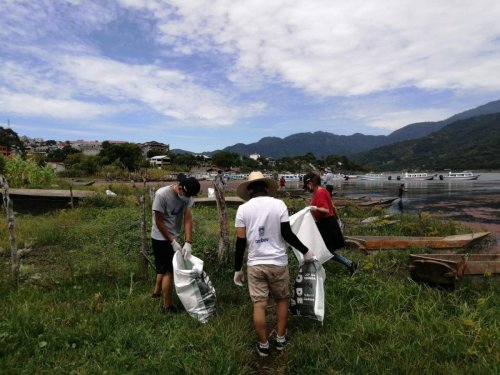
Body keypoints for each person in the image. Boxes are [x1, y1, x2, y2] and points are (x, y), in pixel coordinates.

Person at [233, 171, 314, 357]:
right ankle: (280, 339)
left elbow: (240, 242)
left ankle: (263, 345)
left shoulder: (243, 209)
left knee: (259, 305)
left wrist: (237, 268)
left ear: (250, 190)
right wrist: (305, 250)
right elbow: (287, 234)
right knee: (281, 300)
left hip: (255, 264)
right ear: (267, 188)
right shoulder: (279, 204)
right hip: (278, 262)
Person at [151, 176, 201, 313]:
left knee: (163, 265)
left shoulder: (187, 196)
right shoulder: (162, 195)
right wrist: (171, 241)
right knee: (169, 272)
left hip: (175, 236)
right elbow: (159, 222)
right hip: (160, 237)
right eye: (185, 194)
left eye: (189, 196)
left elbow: (188, 219)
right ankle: (167, 306)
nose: (186, 198)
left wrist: (188, 241)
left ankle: (156, 292)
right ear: (179, 187)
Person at [303, 172, 359, 276]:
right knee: (325, 250)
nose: (306, 188)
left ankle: (350, 264)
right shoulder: (323, 191)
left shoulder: (319, 193)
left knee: (326, 251)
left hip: (326, 225)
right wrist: (338, 220)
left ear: (310, 183)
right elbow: (333, 206)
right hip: (328, 223)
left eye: (306, 186)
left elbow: (326, 210)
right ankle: (350, 264)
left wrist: (314, 208)